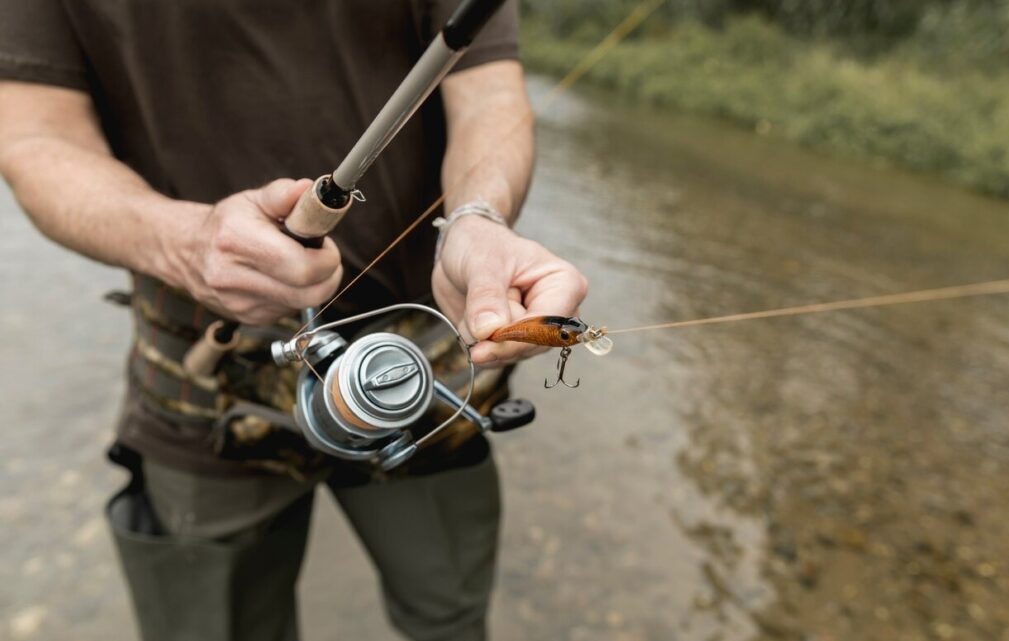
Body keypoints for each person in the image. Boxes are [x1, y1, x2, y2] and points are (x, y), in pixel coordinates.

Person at [0, 1, 587, 640]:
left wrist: (478, 218)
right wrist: (183, 241)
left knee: (450, 616)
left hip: (421, 368)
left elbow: (487, 97)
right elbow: (34, 138)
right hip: (204, 382)